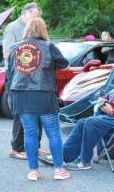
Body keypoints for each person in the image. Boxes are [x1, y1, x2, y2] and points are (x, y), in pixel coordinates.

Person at [7, 17, 70, 181]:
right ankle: (58, 170)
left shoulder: (14, 48)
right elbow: (64, 63)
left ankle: (33, 171)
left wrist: (10, 97)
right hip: (43, 94)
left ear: (26, 29)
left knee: (29, 133)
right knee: (53, 133)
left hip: (20, 94)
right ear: (43, 29)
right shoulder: (48, 47)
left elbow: (10, 74)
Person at [3, 3, 45, 160]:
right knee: (21, 113)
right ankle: (17, 148)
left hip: (34, 78)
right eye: (34, 17)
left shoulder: (36, 29)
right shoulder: (13, 28)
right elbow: (7, 53)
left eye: (38, 17)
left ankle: (35, 146)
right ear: (25, 14)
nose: (37, 20)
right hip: (17, 77)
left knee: (37, 112)